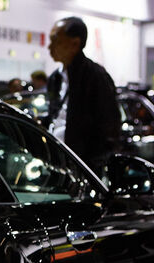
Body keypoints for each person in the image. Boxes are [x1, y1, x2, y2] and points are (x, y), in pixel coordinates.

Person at [46, 16, 120, 172]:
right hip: (56, 163)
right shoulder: (55, 78)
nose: (49, 47)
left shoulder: (95, 77)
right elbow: (54, 115)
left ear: (75, 44)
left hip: (83, 168)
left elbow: (108, 127)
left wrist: (93, 168)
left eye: (55, 40)